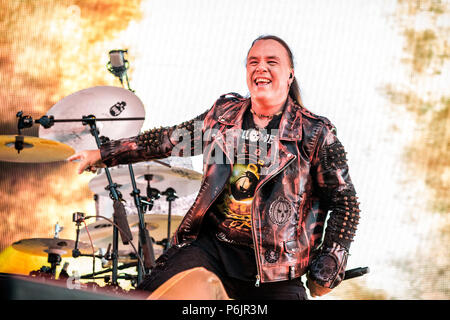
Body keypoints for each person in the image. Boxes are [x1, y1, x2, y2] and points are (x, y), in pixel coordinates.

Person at [68, 35, 360, 300]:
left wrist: (328, 268)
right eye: (253, 62)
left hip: (278, 269)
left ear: (289, 75)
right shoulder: (222, 117)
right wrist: (103, 153)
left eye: (272, 62)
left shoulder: (316, 133)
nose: (261, 67)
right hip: (212, 248)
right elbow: (169, 139)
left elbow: (346, 203)